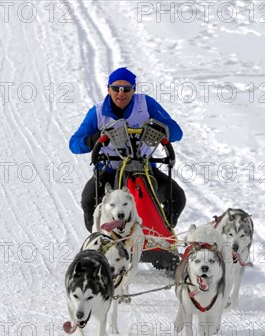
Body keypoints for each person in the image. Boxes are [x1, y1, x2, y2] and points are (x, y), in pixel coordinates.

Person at [69, 67, 186, 232]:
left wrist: (162, 129)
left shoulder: (146, 104)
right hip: (110, 170)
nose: (121, 93)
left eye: (127, 89)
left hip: (145, 168)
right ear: (108, 89)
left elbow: (177, 132)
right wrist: (94, 139)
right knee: (89, 201)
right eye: (116, 88)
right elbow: (74, 144)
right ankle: (100, 238)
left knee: (178, 198)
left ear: (134, 90)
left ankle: (161, 232)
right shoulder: (98, 112)